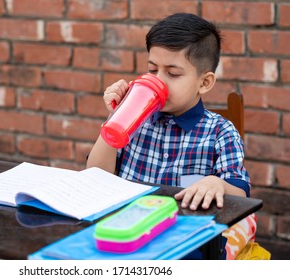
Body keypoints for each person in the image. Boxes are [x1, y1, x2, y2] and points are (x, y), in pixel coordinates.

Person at [86, 13, 256, 259]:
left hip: (185, 237)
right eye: (152, 70)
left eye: (173, 74)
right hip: (127, 228)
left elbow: (240, 197)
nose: (159, 82)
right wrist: (118, 117)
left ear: (204, 83)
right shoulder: (134, 122)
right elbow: (97, 175)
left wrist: (217, 183)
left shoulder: (220, 132)